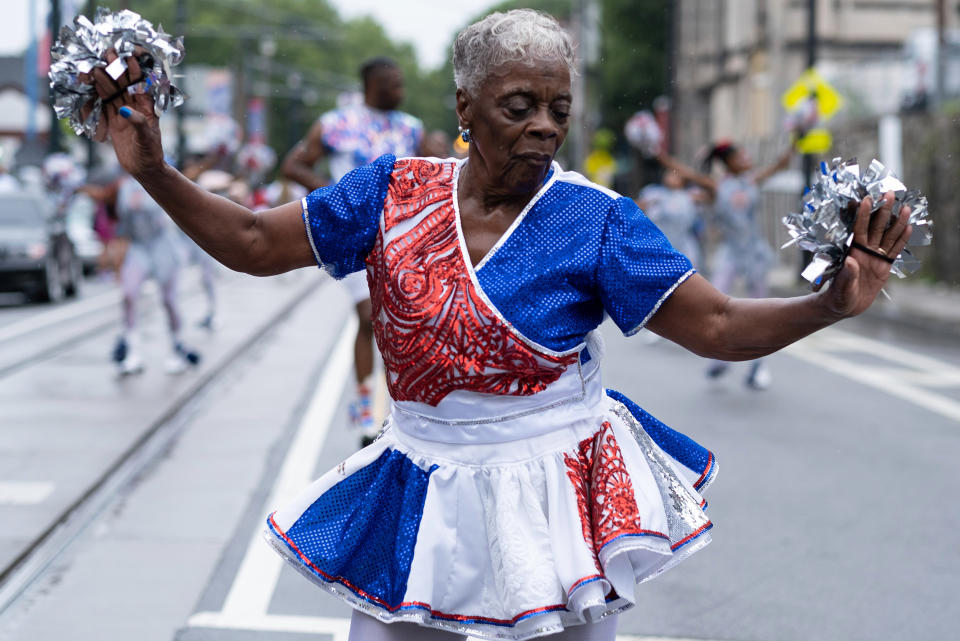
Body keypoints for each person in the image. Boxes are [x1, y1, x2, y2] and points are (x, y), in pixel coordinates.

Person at [86, 9, 911, 640]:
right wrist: (154, 169)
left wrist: (829, 303)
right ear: (465, 108)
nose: (544, 125)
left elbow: (721, 322)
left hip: (554, 496)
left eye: (558, 107)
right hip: (419, 480)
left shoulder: (597, 221)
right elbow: (254, 241)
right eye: (519, 105)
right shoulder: (389, 192)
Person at [282, 57, 424, 446]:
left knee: (402, 322)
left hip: (400, 237)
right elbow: (293, 165)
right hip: (353, 237)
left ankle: (402, 409)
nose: (399, 90)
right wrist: (334, 195)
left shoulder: (412, 128)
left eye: (401, 84)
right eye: (392, 84)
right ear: (370, 85)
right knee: (366, 315)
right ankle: (365, 413)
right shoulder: (335, 123)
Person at [657, 141, 793, 390]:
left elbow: (781, 164)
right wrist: (659, 153)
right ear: (728, 162)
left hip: (754, 251)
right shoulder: (717, 186)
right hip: (730, 251)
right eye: (739, 157)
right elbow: (686, 173)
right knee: (716, 301)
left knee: (762, 309)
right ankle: (720, 359)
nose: (745, 159)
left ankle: (758, 366)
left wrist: (798, 134)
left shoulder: (753, 181)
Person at [110, 175, 200, 375]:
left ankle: (177, 346)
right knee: (128, 294)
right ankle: (132, 350)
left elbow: (167, 214)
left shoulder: (162, 180)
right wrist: (117, 264)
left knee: (169, 300)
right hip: (139, 247)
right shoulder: (125, 187)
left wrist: (143, 204)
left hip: (163, 246)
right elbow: (122, 222)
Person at [636, 168, 705, 269]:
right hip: (660, 243)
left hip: (684, 243)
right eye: (669, 173)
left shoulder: (690, 195)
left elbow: (709, 195)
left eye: (676, 175)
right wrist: (649, 203)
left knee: (690, 273)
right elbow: (634, 206)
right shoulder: (654, 192)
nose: (670, 177)